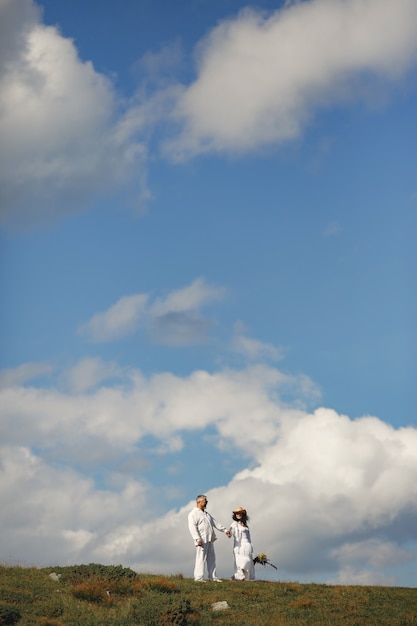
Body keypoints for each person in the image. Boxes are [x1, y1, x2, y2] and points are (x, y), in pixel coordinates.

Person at [188, 494, 231, 582]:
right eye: (205, 501)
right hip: (201, 540)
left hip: (209, 539)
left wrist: (225, 530)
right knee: (200, 559)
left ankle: (213, 577)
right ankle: (198, 578)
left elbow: (215, 523)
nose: (206, 502)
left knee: (211, 558)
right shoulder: (193, 514)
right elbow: (192, 527)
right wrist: (197, 539)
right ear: (199, 502)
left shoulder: (206, 514)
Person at [229, 506, 255, 581]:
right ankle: (241, 577)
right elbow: (231, 532)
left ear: (243, 514)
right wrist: (229, 533)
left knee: (248, 562)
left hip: (247, 546)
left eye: (240, 513)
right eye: (237, 513)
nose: (238, 515)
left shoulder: (246, 525)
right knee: (241, 562)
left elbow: (249, 537)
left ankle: (237, 577)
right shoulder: (234, 524)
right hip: (239, 546)